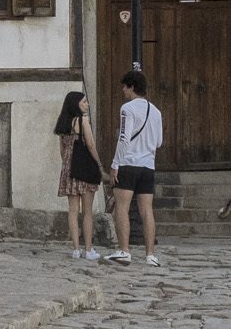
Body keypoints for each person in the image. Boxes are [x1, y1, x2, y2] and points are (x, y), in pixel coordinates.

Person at [109, 66, 165, 267]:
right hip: (148, 165)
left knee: (122, 209)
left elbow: (124, 138)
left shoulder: (127, 109)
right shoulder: (156, 111)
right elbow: (159, 141)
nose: (123, 91)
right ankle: (150, 255)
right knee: (147, 210)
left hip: (129, 163)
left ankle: (124, 251)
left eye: (124, 87)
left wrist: (115, 164)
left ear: (131, 87)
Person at [54, 89, 106, 261]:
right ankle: (88, 249)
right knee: (87, 212)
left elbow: (62, 152)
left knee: (73, 211)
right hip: (83, 170)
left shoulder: (63, 123)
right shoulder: (83, 121)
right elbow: (90, 145)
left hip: (69, 170)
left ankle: (76, 249)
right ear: (77, 103)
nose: (87, 104)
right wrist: (99, 165)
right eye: (84, 101)